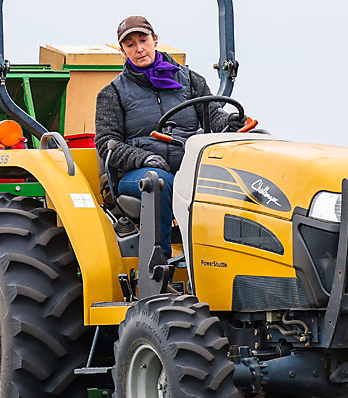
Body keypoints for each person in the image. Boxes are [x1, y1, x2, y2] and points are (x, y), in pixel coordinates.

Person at [94, 16, 239, 258]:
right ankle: (158, 262)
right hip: (137, 174)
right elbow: (107, 144)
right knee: (158, 181)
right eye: (130, 45)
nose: (139, 48)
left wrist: (230, 122)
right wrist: (144, 159)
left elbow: (213, 116)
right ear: (122, 51)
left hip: (187, 166)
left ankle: (223, 259)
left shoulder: (190, 80)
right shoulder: (112, 93)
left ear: (155, 40)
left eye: (143, 40)